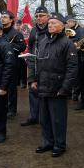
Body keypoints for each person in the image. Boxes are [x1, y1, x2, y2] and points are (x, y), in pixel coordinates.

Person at [29, 13, 78, 157]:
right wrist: (34, 79)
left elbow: (72, 68)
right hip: (43, 86)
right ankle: (47, 142)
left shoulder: (67, 43)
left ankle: (59, 145)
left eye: (54, 23)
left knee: (58, 119)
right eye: (49, 23)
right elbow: (37, 63)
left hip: (58, 88)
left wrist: (64, 88)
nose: (50, 25)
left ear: (63, 26)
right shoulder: (43, 41)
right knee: (44, 119)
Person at [20, 6, 50, 127]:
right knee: (33, 90)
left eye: (41, 15)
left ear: (47, 16)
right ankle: (34, 116)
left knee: (45, 93)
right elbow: (31, 46)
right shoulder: (34, 30)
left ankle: (45, 118)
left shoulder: (52, 28)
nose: (38, 18)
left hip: (48, 67)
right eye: (36, 16)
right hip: (34, 64)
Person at [0, 10, 26, 118]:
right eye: (1, 17)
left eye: (5, 17)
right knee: (1, 86)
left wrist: (8, 47)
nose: (2, 18)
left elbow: (22, 47)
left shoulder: (16, 33)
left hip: (12, 64)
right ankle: (3, 107)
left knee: (11, 88)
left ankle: (12, 109)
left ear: (11, 20)